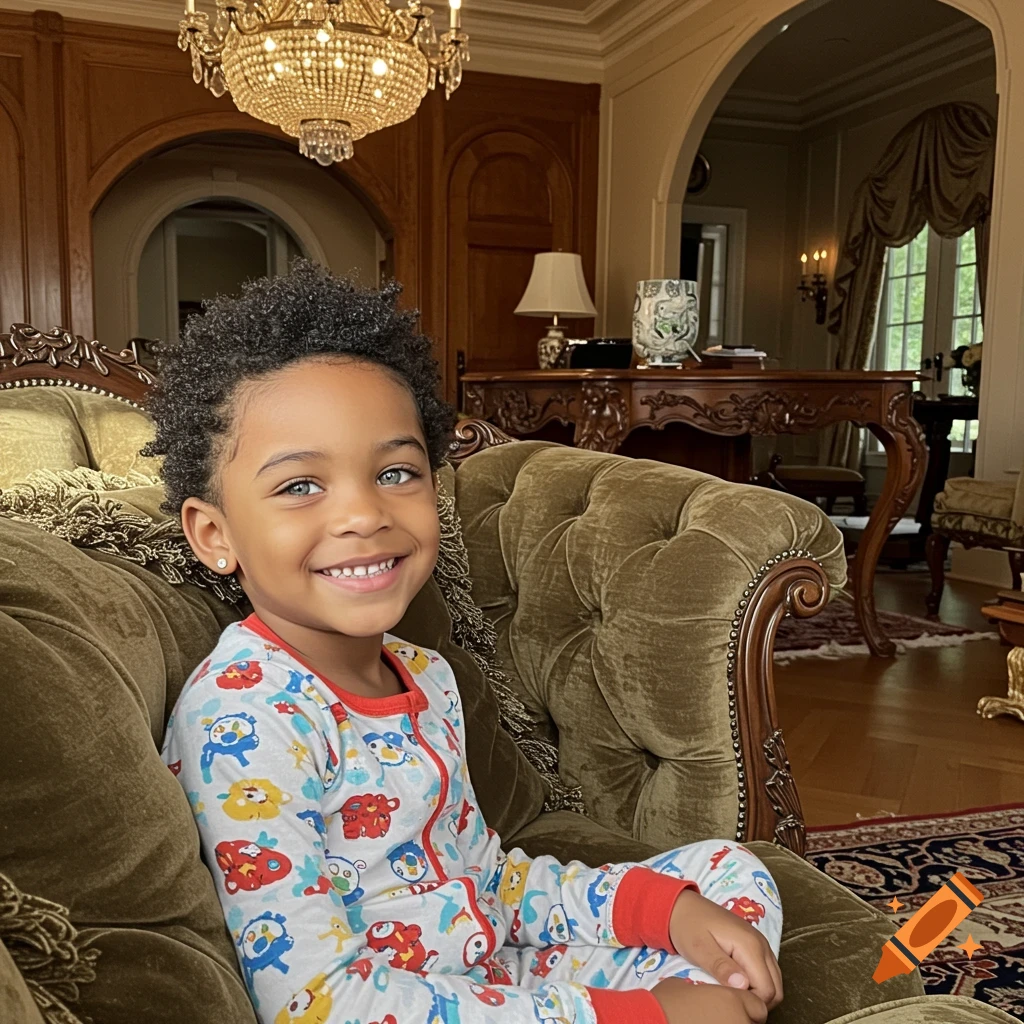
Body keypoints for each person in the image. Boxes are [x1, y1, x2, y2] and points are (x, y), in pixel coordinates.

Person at [151, 261, 783, 1024]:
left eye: (395, 471)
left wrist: (668, 913)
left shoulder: (427, 676)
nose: (363, 513)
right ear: (214, 535)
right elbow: (315, 1004)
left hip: (496, 974)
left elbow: (484, 882)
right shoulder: (244, 720)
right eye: (301, 486)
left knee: (727, 876)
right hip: (379, 1007)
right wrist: (636, 1015)